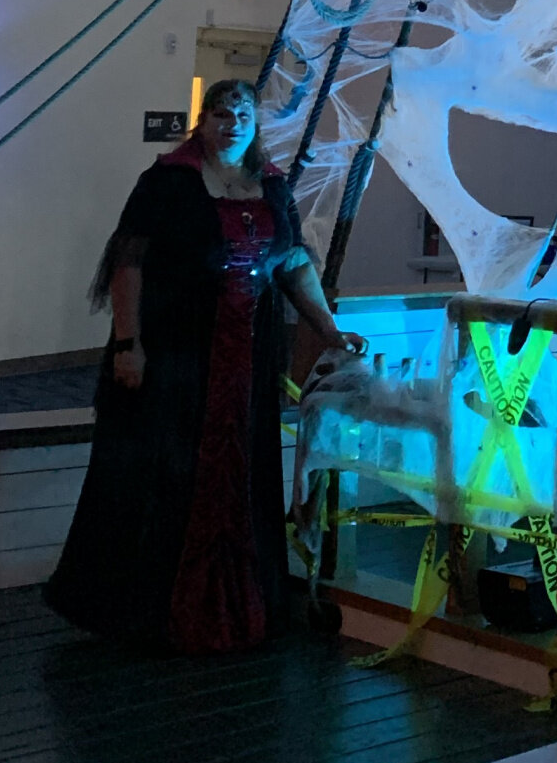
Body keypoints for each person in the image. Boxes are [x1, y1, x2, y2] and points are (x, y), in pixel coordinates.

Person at [45, 79, 365, 652]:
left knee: (240, 476)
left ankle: (237, 606)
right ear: (203, 119)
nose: (231, 124)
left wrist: (329, 329)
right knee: (167, 475)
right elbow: (128, 263)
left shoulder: (272, 185)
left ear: (255, 123)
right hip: (177, 354)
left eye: (242, 115)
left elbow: (293, 263)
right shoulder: (168, 181)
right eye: (220, 114)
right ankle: (152, 613)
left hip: (245, 363)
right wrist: (128, 344)